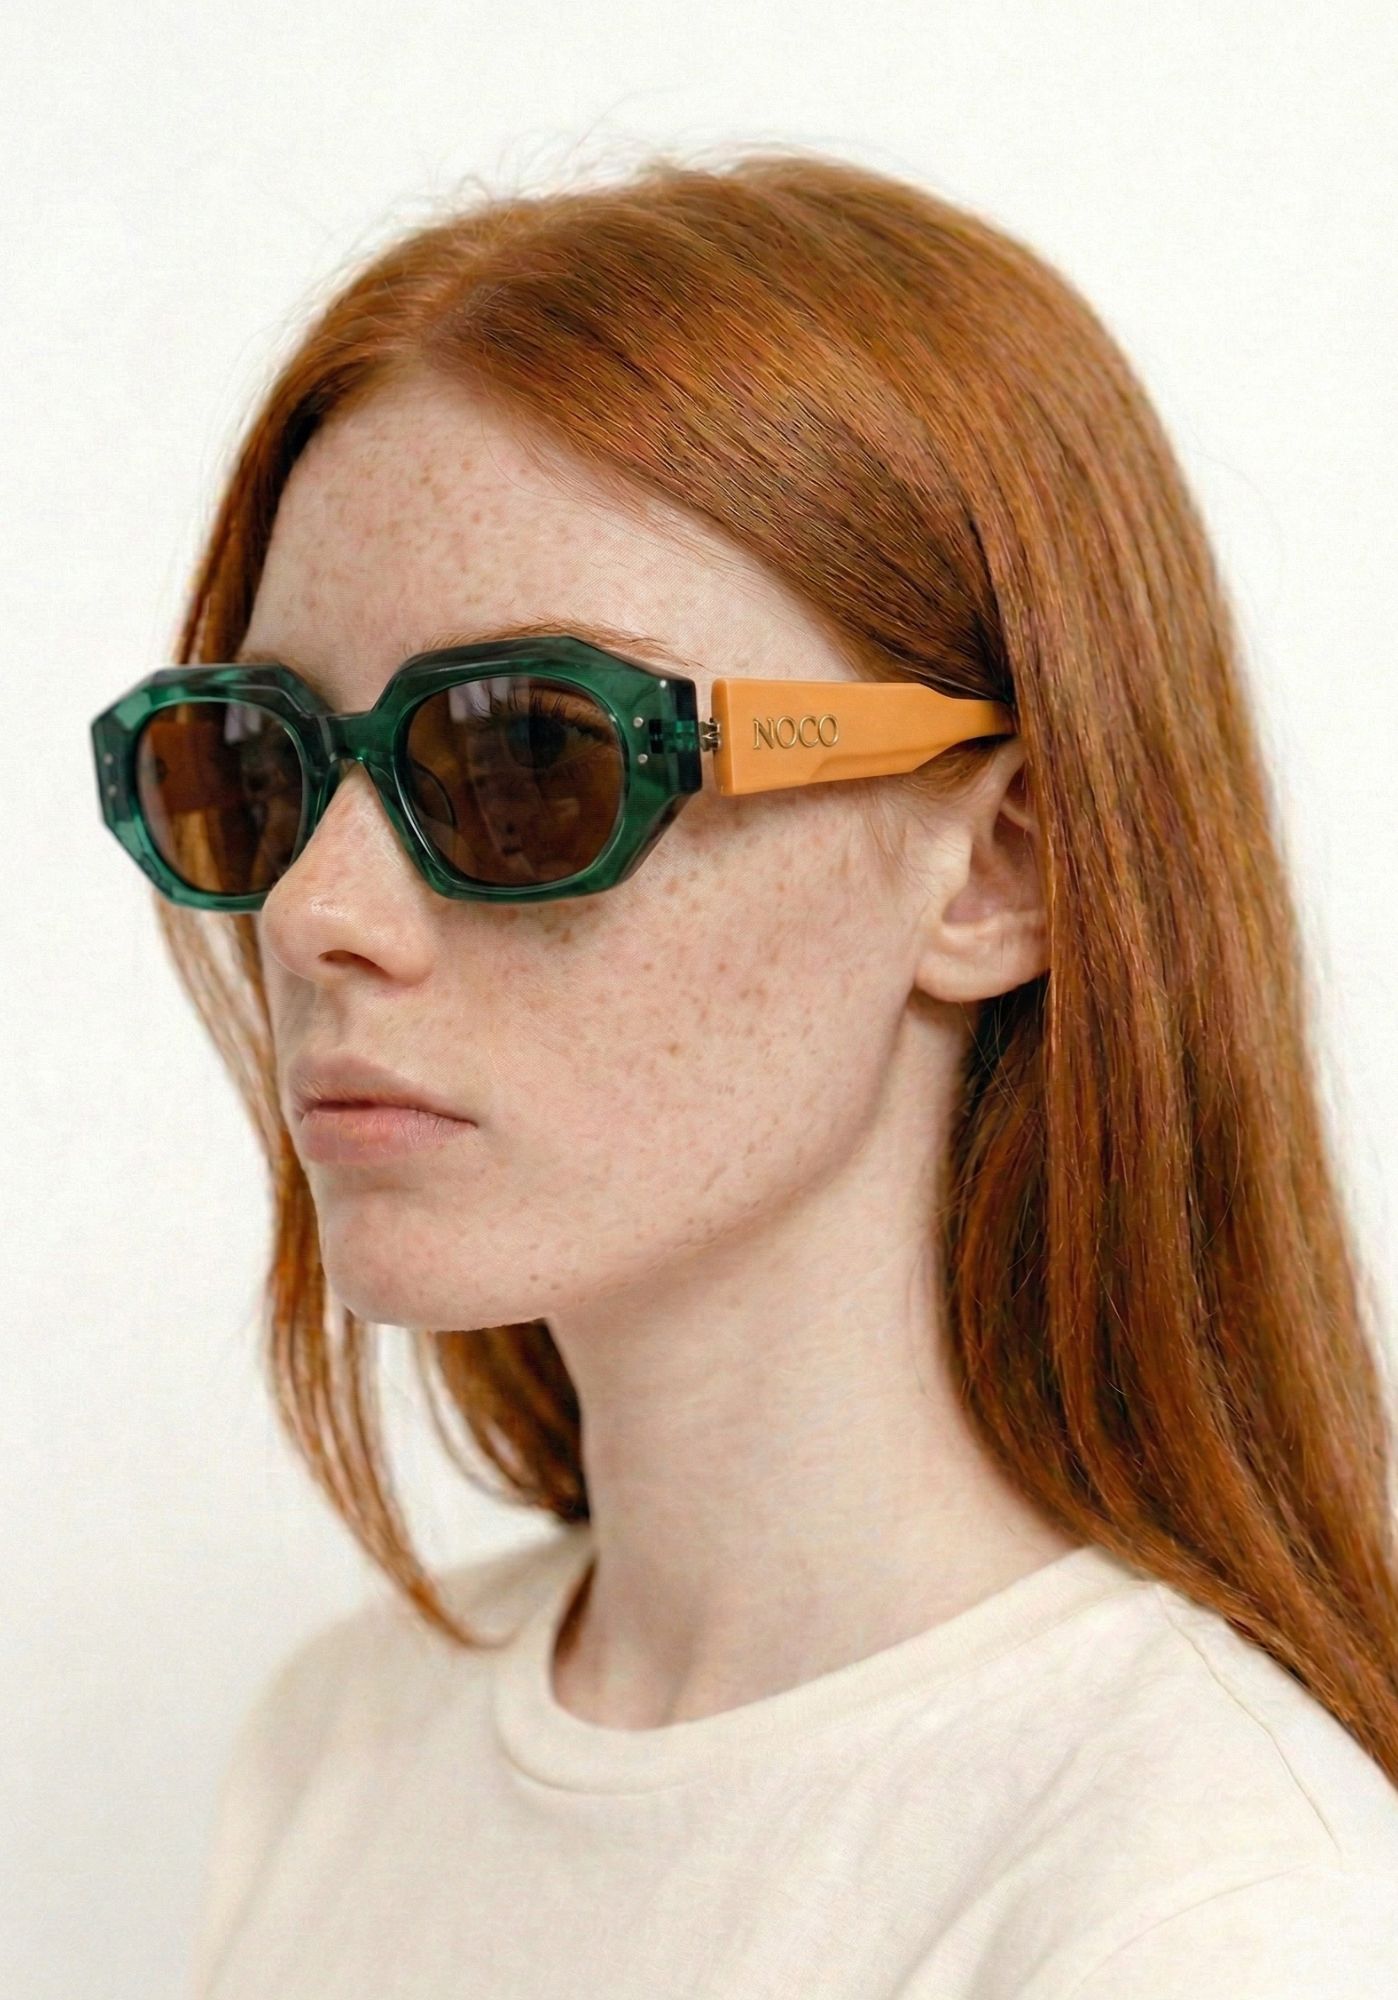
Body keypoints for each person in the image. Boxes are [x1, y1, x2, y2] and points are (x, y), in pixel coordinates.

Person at [92, 149, 1398, 1995]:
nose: (315, 911)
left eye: (527, 758)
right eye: (256, 763)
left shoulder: (1202, 1912)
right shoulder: (341, 1746)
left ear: (997, 866)